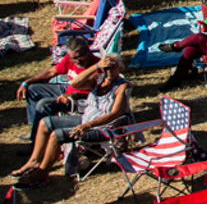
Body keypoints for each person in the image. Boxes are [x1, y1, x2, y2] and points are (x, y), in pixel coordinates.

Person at [15, 53, 131, 188]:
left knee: (57, 135)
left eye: (112, 68)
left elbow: (114, 114)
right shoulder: (98, 79)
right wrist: (96, 66)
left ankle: (42, 173)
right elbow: (75, 83)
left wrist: (88, 125)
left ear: (120, 68)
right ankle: (34, 161)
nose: (109, 71)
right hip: (86, 119)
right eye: (105, 68)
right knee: (45, 123)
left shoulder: (122, 86)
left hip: (104, 128)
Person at [16, 35, 96, 142]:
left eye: (80, 57)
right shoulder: (69, 59)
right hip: (67, 89)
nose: (77, 61)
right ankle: (35, 129)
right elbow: (51, 72)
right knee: (33, 89)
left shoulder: (96, 67)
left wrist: (74, 95)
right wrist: (26, 83)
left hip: (78, 99)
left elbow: (98, 94)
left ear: (88, 52)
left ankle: (36, 140)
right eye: (73, 58)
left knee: (44, 104)